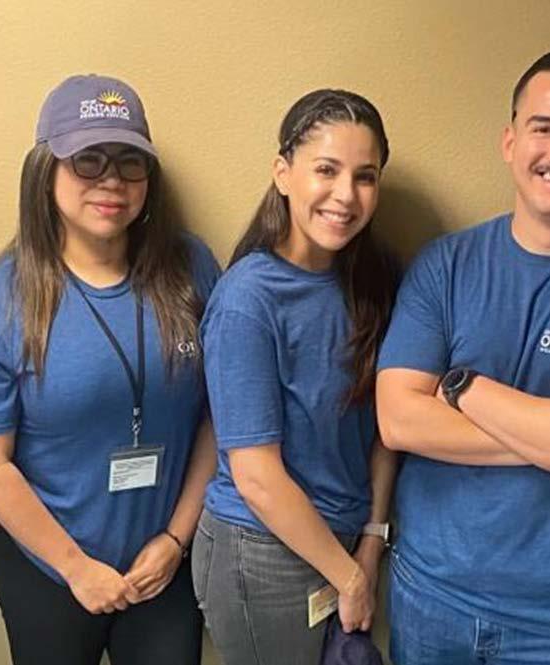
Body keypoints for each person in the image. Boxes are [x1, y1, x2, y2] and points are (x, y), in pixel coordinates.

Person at [0, 74, 219, 665]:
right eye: (88, 160)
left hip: (163, 559)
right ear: (46, 170)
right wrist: (76, 568)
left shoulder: (191, 269)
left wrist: (175, 539)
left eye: (130, 162)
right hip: (47, 563)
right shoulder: (0, 298)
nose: (112, 180)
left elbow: (218, 417)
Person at [192, 89, 398, 665]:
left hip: (346, 543)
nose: (346, 195)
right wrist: (349, 578)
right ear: (283, 174)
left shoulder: (377, 281)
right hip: (262, 553)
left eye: (365, 177)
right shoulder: (247, 300)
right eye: (326, 170)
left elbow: (386, 429)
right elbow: (256, 476)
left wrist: (371, 543)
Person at [377, 52, 550, 664]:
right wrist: (536, 436)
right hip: (432, 600)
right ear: (510, 142)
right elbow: (398, 419)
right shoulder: (445, 266)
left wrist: (464, 387)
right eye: (543, 128)